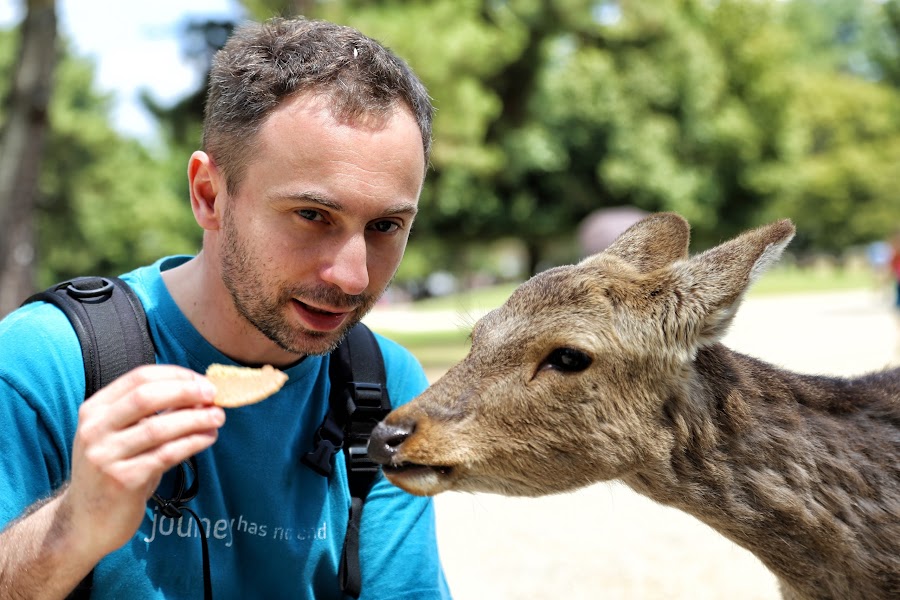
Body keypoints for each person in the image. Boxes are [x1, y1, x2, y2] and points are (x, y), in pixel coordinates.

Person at [0, 16, 451, 600]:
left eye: (386, 226)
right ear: (209, 195)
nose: (353, 275)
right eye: (312, 216)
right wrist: (70, 531)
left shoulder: (382, 385)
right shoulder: (46, 362)